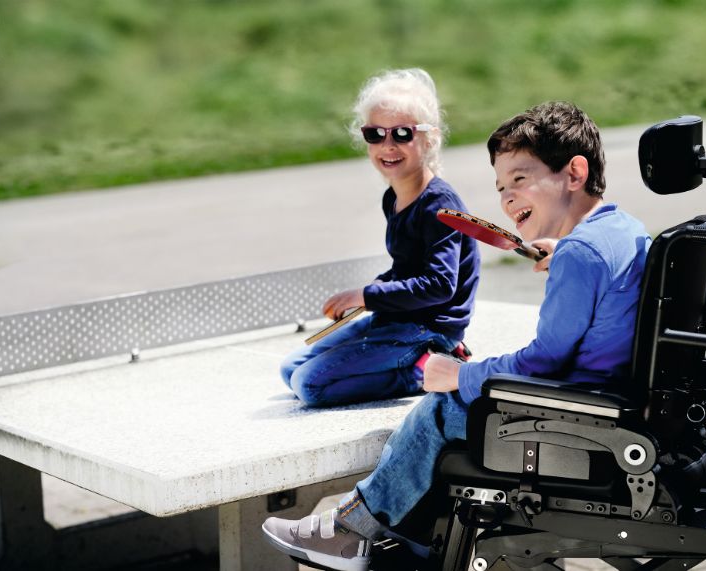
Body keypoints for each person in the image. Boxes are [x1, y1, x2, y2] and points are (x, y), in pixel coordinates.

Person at [263, 101, 651, 571]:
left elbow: (541, 363)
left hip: (571, 417)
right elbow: (596, 281)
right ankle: (419, 546)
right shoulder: (622, 231)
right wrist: (566, 250)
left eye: (520, 179)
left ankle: (353, 528)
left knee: (442, 409)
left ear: (574, 172)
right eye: (501, 187)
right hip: (607, 405)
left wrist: (460, 375)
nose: (507, 199)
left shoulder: (581, 255)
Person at [280, 68, 480, 407]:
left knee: (309, 385)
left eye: (402, 134)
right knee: (291, 369)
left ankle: (424, 370)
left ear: (428, 138)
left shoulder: (439, 206)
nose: (388, 146)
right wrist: (369, 295)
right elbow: (406, 268)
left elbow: (439, 285)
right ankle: (405, 362)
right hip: (399, 317)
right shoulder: (394, 197)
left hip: (428, 328)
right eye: (375, 134)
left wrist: (367, 294)